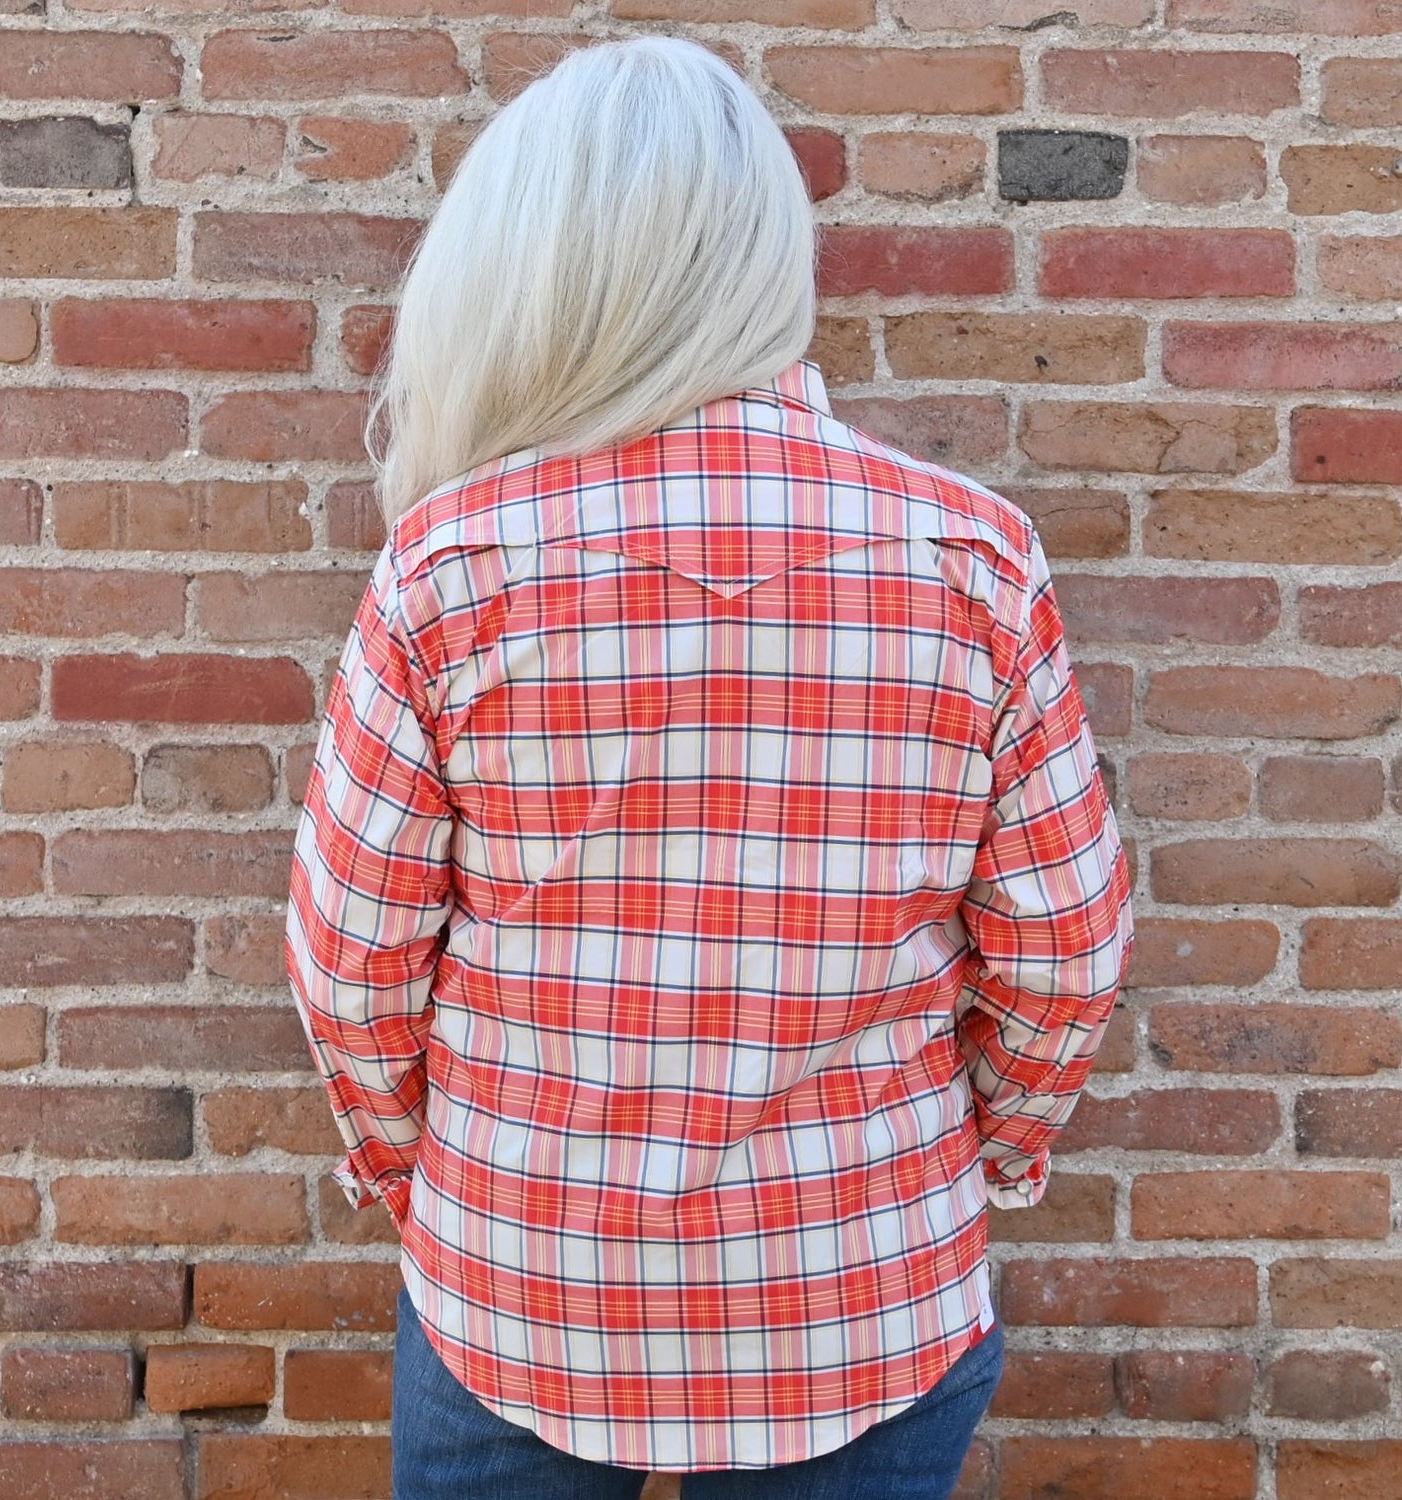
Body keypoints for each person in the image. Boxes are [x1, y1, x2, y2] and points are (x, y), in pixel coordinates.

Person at [286, 35, 1133, 1500]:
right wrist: (965, 1154)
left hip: (521, 1291)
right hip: (864, 1296)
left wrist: (428, 1178)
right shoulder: (971, 564)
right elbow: (1063, 953)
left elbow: (352, 970)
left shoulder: (450, 570)